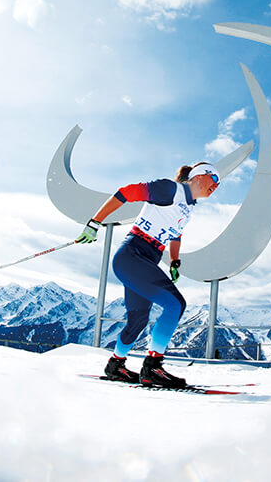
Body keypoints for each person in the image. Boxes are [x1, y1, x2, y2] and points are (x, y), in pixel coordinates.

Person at [75, 161, 220, 388]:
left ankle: (116, 365)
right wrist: (94, 222)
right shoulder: (170, 189)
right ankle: (152, 367)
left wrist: (174, 261)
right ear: (200, 176)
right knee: (175, 305)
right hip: (132, 256)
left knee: (138, 320)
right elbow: (125, 192)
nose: (217, 186)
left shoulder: (188, 206)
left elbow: (176, 235)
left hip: (146, 259)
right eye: (215, 179)